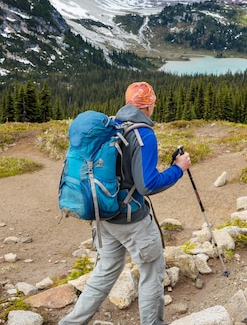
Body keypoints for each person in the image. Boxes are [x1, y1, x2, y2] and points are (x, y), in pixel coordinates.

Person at [59, 81, 191, 325]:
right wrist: (178, 169)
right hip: (132, 221)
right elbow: (147, 185)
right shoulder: (144, 134)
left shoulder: (113, 125)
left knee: (105, 272)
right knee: (151, 274)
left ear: (128, 102)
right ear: (149, 106)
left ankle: (70, 323)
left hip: (105, 215)